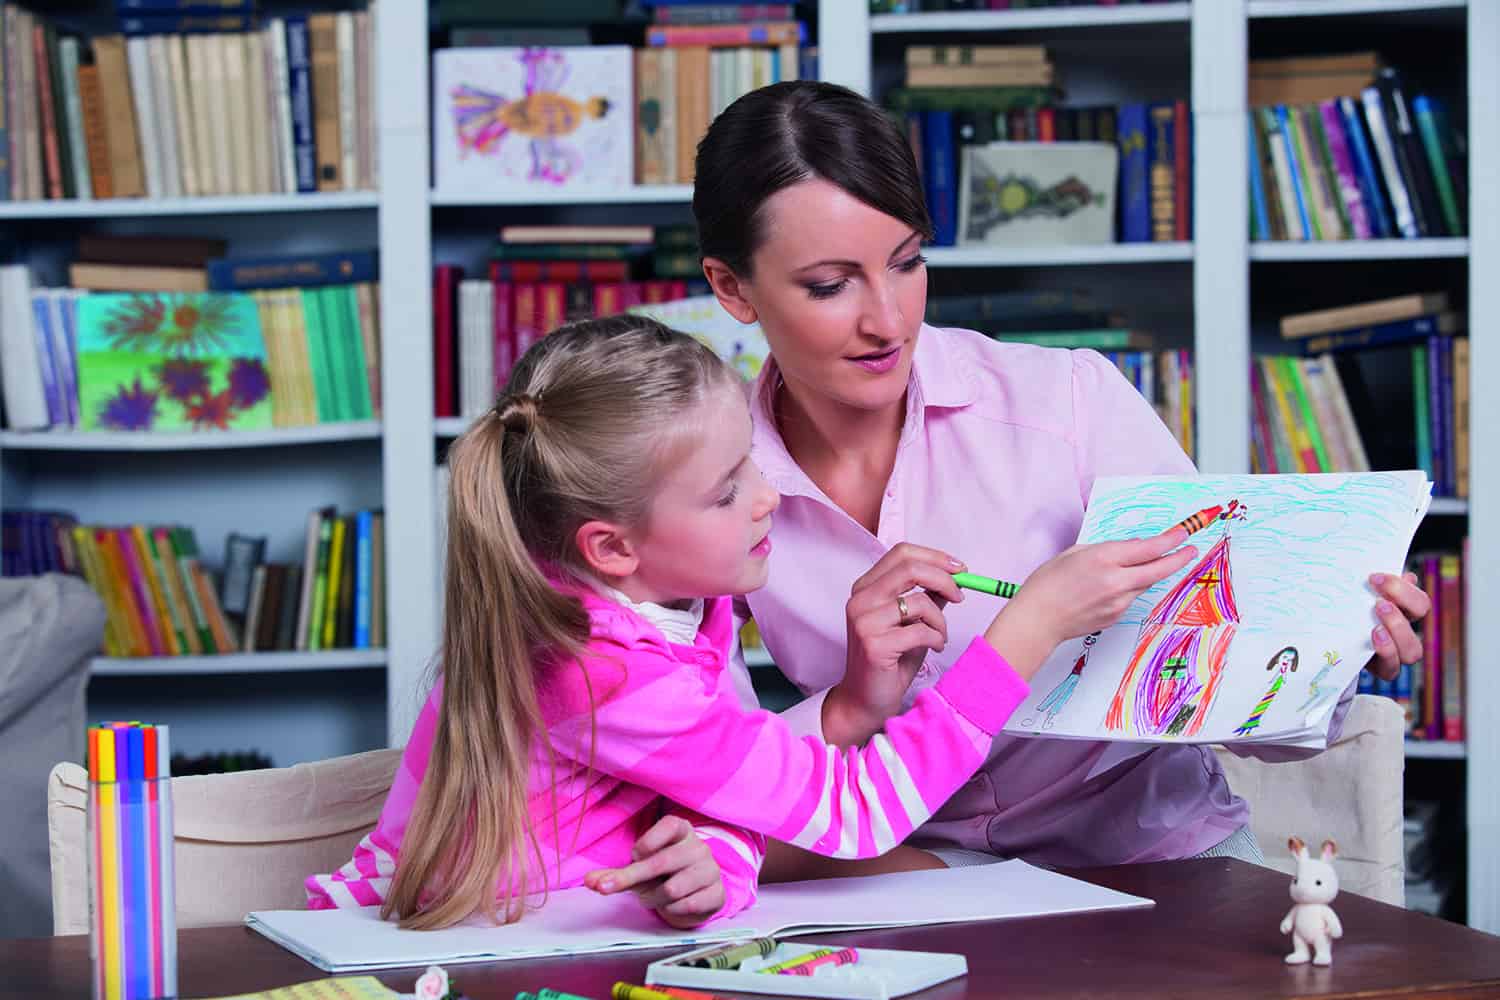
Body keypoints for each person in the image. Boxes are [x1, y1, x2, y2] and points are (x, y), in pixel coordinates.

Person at [692, 80, 1432, 875]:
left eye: (907, 263)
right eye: (830, 286)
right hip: (907, 870)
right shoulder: (704, 478)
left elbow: (1228, 682)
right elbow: (709, 778)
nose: (889, 320)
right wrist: (850, 706)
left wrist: (1327, 655)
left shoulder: (1067, 401)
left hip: (1154, 859)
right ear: (732, 288)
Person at [304, 316, 1194, 929]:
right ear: (612, 547)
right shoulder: (596, 664)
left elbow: (710, 790)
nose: (769, 498)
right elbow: (856, 814)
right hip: (469, 950)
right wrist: (1027, 630)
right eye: (729, 488)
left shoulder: (659, 606)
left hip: (562, 931)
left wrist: (727, 857)